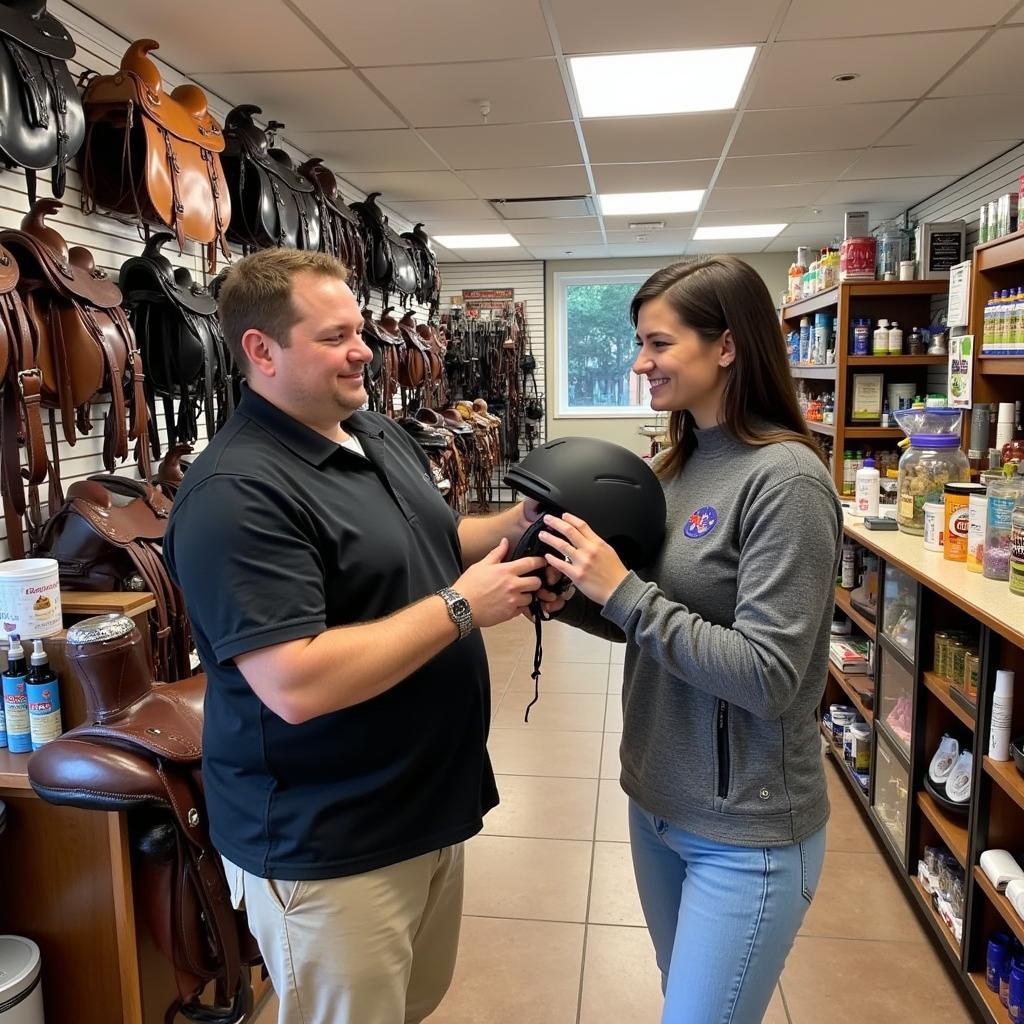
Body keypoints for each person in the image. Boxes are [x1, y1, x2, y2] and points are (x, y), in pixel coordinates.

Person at [164, 248, 547, 1024]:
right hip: (330, 841)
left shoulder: (371, 432)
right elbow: (295, 683)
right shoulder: (235, 494)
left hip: (422, 805)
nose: (365, 349)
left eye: (361, 330)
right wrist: (463, 607)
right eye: (336, 335)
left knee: (409, 1006)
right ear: (261, 351)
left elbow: (435, 539)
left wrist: (519, 525)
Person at [534, 256, 843, 1022]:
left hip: (745, 831)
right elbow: (657, 627)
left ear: (728, 346)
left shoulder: (787, 482)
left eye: (658, 343)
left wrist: (624, 590)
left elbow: (770, 674)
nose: (641, 362)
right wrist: (567, 601)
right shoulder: (679, 466)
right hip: (657, 800)